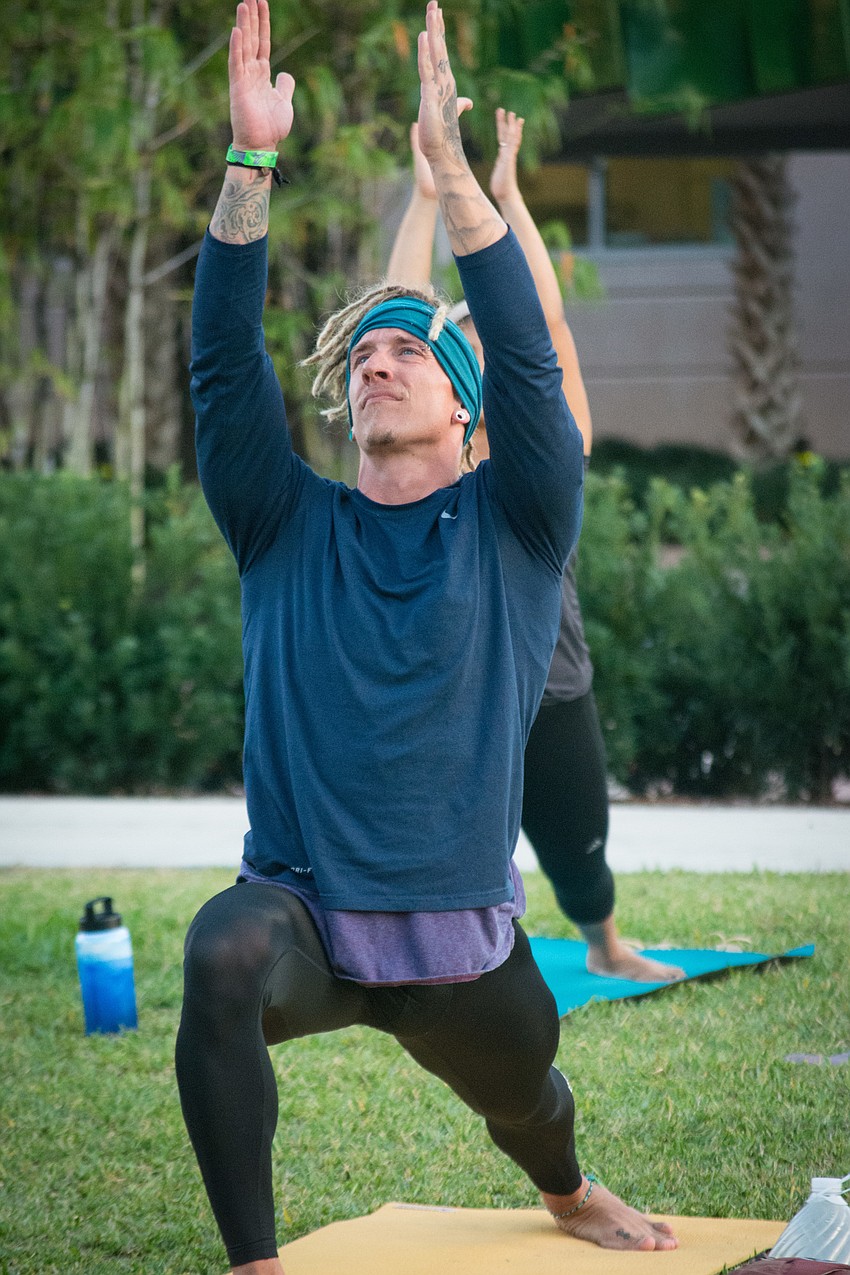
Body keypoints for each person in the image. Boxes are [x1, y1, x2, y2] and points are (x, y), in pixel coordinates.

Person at [176, 3, 679, 1272]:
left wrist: (459, 188)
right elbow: (224, 364)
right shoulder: (282, 520)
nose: (380, 364)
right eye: (367, 355)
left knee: (528, 1103)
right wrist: (250, 163)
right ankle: (257, 1261)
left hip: (460, 943)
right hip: (308, 920)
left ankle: (568, 1191)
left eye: (411, 350)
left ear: (467, 410)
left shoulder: (519, 519)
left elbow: (523, 347)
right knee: (221, 951)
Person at [387, 107, 684, 983]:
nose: (489, 347)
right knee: (435, 843)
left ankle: (606, 941)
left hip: (551, 683)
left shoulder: (551, 451)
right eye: (464, 343)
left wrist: (508, 199)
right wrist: (421, 198)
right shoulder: (429, 459)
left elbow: (549, 328)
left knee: (580, 846)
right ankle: (421, 956)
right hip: (450, 687)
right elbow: (392, 315)